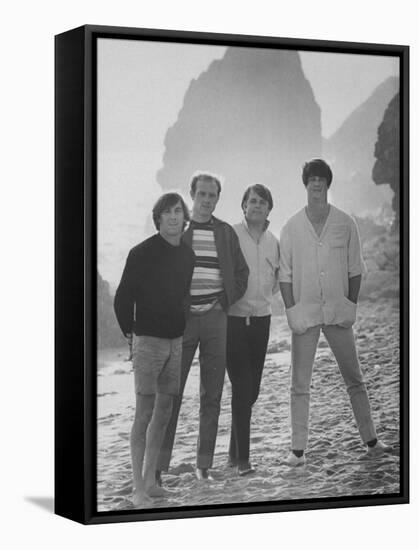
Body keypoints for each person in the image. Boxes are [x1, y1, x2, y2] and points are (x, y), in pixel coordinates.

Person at [279, 158, 391, 467]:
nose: (316, 183)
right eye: (312, 179)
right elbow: (285, 275)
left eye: (322, 179)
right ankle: (297, 451)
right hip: (305, 315)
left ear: (328, 183)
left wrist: (350, 303)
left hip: (339, 312)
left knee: (354, 378)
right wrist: (292, 310)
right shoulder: (291, 227)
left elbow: (356, 269)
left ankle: (371, 440)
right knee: (299, 383)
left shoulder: (346, 223)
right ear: (306, 184)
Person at [157, 172, 249, 482]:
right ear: (192, 195)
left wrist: (224, 301)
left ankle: (203, 466)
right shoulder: (179, 232)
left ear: (217, 199)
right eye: (202, 194)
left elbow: (241, 273)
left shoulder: (224, 232)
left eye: (212, 195)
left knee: (212, 394)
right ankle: (158, 466)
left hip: (215, 318)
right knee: (171, 392)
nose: (207, 200)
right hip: (182, 321)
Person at [114, 192, 195, 506]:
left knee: (164, 412)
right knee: (144, 413)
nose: (174, 217)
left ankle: (151, 481)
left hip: (175, 342)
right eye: (167, 212)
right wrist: (130, 336)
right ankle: (137, 488)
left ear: (183, 217)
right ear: (158, 218)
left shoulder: (187, 256)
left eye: (178, 211)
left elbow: (181, 297)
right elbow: (123, 299)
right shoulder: (141, 253)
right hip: (147, 343)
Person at [226, 184, 280, 475]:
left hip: (262, 321)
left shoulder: (274, 241)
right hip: (233, 322)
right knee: (242, 388)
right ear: (243, 206)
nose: (257, 206)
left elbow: (276, 280)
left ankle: (233, 453)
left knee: (252, 391)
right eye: (252, 201)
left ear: (269, 208)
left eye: (263, 202)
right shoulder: (231, 235)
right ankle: (243, 460)